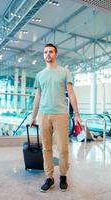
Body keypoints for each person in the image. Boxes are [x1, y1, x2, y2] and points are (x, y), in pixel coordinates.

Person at [30, 43, 82, 192]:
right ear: (43, 55)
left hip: (60, 115)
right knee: (46, 148)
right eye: (45, 52)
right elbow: (37, 96)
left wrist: (77, 114)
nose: (48, 54)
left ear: (56, 54)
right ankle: (49, 177)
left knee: (63, 148)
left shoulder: (65, 72)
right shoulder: (40, 75)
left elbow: (71, 93)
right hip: (44, 115)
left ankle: (63, 176)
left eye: (51, 52)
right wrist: (33, 116)